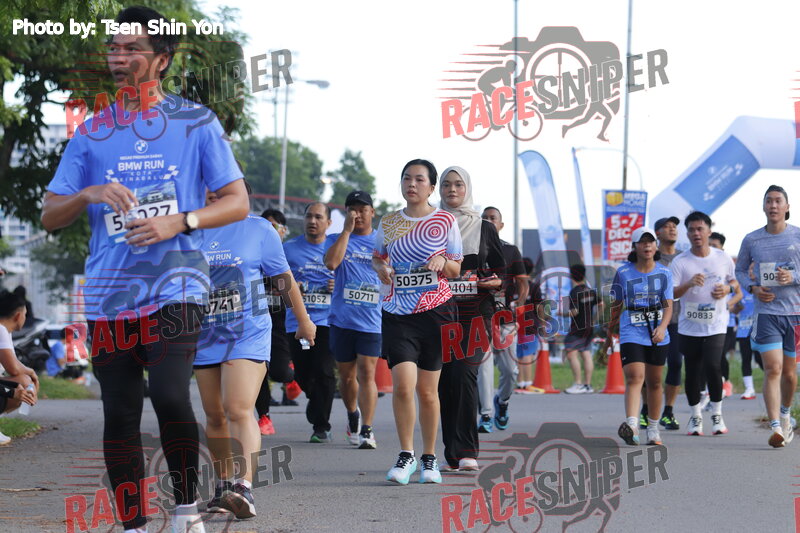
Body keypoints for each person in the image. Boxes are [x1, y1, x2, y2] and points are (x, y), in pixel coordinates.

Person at [40, 7, 250, 532]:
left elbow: (237, 201)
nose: (118, 57)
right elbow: (50, 215)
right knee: (120, 412)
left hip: (177, 284)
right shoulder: (92, 132)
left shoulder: (196, 123)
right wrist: (88, 193)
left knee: (172, 395)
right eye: (113, 48)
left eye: (131, 48)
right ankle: (133, 524)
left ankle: (185, 511)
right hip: (109, 292)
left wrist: (181, 220)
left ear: (161, 59)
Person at [194, 188, 315, 519]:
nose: (214, 195)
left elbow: (283, 278)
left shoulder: (259, 229)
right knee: (215, 414)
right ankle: (223, 487)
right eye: (208, 190)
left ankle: (243, 487)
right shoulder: (191, 229)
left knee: (237, 406)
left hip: (248, 329)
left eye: (223, 189)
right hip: (205, 332)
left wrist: (303, 320)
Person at [372, 159, 462, 484]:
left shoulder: (445, 220)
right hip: (398, 313)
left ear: (431, 187)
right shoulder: (390, 222)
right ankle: (406, 454)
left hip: (435, 312)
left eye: (419, 179)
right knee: (402, 385)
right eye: (407, 178)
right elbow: (377, 257)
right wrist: (381, 268)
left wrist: (441, 260)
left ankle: (429, 458)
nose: (412, 184)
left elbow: (456, 269)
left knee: (427, 391)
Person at [439, 166, 505, 466]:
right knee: (445, 380)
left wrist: (494, 282)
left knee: (465, 373)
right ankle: (450, 451)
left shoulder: (484, 228)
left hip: (475, 314)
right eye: (446, 185)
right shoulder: (430, 225)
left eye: (458, 184)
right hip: (437, 313)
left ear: (467, 189)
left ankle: (466, 451)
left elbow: (502, 274)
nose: (452, 190)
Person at [735, 185, 800, 448]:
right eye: (769, 201)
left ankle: (785, 414)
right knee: (773, 368)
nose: (773, 205)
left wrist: (792, 276)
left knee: (790, 374)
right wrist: (753, 288)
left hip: (795, 314)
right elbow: (740, 270)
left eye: (777, 201)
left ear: (787, 207)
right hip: (766, 314)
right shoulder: (752, 240)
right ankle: (775, 427)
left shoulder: (797, 236)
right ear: (763, 206)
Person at [671, 211, 741, 437]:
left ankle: (717, 415)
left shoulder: (722, 257)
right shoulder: (680, 262)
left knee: (713, 365)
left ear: (709, 231)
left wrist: (728, 289)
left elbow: (736, 284)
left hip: (716, 323)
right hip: (689, 325)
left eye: (700, 229)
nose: (696, 233)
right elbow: (671, 294)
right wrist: (689, 284)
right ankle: (695, 416)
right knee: (692, 370)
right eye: (691, 230)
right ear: (687, 234)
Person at [323, 191, 382, 449]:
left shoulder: (382, 241)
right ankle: (352, 414)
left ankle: (367, 429)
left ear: (372, 212)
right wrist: (346, 231)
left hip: (372, 320)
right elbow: (331, 263)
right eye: (352, 209)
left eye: (363, 209)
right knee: (347, 378)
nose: (358, 214)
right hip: (342, 320)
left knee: (367, 373)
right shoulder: (335, 239)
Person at [605, 227, 673, 446]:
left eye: (650, 241)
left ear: (656, 245)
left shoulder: (665, 273)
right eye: (642, 242)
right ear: (634, 247)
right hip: (631, 329)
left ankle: (653, 429)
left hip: (656, 330)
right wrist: (609, 332)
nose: (647, 246)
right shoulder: (623, 272)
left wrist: (662, 327)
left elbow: (668, 306)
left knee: (654, 382)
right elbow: (616, 305)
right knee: (635, 376)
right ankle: (632, 426)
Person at [283, 202, 336, 443]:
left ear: (328, 222)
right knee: (303, 373)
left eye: (318, 217)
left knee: (324, 370)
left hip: (327, 320)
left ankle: (321, 426)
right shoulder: (288, 249)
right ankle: (316, 399)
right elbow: (274, 281)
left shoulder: (336, 248)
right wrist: (291, 287)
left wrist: (338, 285)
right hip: (296, 322)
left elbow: (353, 277)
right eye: (309, 216)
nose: (312, 221)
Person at [479, 207, 528, 429]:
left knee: (510, 371)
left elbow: (523, 282)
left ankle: (503, 401)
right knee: (484, 367)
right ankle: (486, 415)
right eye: (484, 218)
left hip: (505, 318)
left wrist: (520, 304)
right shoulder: (471, 249)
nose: (488, 221)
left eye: (493, 218)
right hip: (479, 316)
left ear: (501, 224)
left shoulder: (511, 250)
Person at [254, 208, 299, 436]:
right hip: (255, 321)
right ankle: (264, 416)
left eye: (274, 227)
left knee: (279, 372)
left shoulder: (289, 253)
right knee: (258, 370)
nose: (268, 231)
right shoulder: (250, 253)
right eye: (264, 226)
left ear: (283, 231)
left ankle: (292, 378)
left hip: (281, 322)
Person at [651, 216, 683, 430]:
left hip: (679, 319)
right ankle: (646, 410)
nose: (672, 229)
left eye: (674, 227)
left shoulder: (684, 257)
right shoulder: (650, 257)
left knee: (676, 364)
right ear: (657, 233)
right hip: (654, 319)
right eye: (667, 226)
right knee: (652, 367)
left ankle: (668, 411)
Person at [0, 290, 39, 445]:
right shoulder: (1, 329)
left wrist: (30, 373)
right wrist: (12, 392)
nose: (25, 318)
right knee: (23, 383)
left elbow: (15, 364)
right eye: (25, 314)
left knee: (24, 382)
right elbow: (14, 369)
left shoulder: (5, 330)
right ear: (17, 315)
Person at [561, 264, 600, 394]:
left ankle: (578, 384)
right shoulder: (591, 291)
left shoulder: (574, 292)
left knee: (571, 353)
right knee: (586, 353)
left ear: (571, 276)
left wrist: (562, 314)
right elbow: (602, 304)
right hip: (589, 327)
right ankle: (587, 385)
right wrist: (594, 319)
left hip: (577, 327)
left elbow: (574, 312)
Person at [709, 232, 735, 398]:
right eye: (709, 245)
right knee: (706, 357)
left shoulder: (726, 266)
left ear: (722, 249)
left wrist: (727, 304)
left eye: (715, 246)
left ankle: (725, 383)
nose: (711, 248)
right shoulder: (698, 265)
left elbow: (738, 292)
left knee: (719, 356)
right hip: (703, 319)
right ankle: (709, 389)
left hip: (725, 322)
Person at [514, 258, 544, 394]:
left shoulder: (513, 286)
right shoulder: (534, 287)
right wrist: (542, 322)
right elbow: (539, 307)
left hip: (515, 324)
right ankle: (528, 383)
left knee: (519, 354)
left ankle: (520, 383)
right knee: (528, 354)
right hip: (530, 324)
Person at [733, 266, 761, 399]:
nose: (750, 272)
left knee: (760, 358)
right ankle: (749, 388)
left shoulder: (762, 287)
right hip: (743, 330)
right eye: (748, 269)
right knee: (746, 358)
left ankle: (774, 382)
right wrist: (737, 306)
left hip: (760, 329)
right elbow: (734, 310)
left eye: (753, 269)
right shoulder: (740, 289)